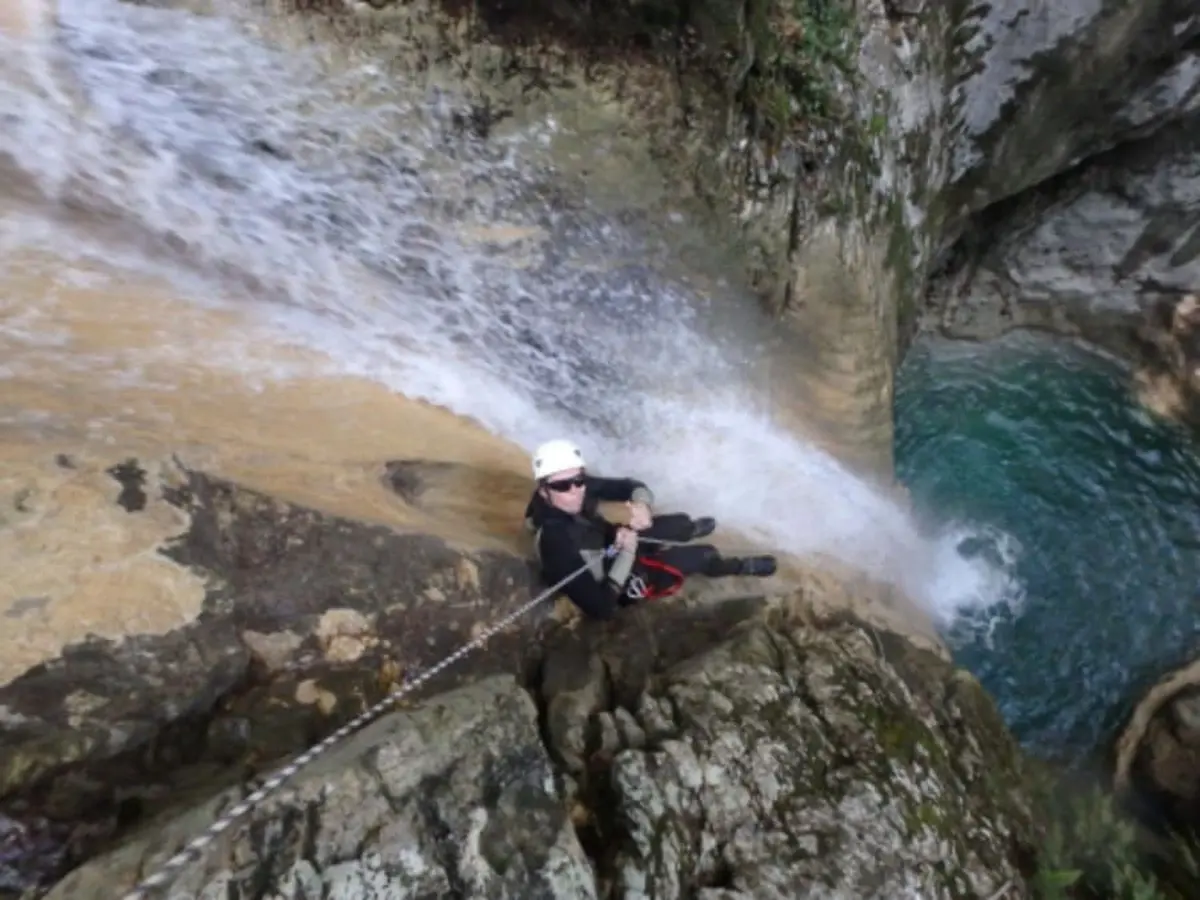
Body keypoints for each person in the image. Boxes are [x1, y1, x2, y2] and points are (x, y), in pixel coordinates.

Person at [523, 438, 778, 621]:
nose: (575, 491)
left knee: (678, 523)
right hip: (616, 577)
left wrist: (642, 505)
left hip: (611, 541)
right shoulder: (556, 542)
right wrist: (626, 553)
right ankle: (737, 567)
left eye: (579, 480)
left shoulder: (576, 490)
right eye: (563, 486)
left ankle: (689, 530)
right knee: (702, 555)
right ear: (544, 490)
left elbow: (631, 486)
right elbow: (602, 609)